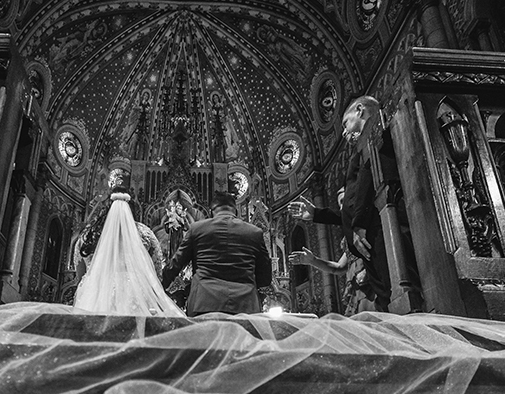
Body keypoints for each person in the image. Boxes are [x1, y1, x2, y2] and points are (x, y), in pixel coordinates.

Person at [287, 95, 412, 312]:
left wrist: (359, 225)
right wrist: (316, 214)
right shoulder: (363, 148)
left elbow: (367, 192)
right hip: (368, 237)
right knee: (388, 300)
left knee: (397, 296)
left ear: (360, 110)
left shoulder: (373, 139)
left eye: (345, 123)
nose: (344, 132)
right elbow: (348, 210)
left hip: (378, 230)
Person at [73, 168, 184, 317]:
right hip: (133, 299)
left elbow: (80, 274)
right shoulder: (145, 233)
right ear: (133, 208)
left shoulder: (88, 235)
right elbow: (156, 274)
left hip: (94, 297)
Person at [162, 191, 272, 317]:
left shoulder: (196, 229)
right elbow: (265, 277)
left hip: (204, 304)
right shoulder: (254, 233)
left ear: (211, 211)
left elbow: (175, 264)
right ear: (235, 211)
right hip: (245, 305)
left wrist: (156, 288)